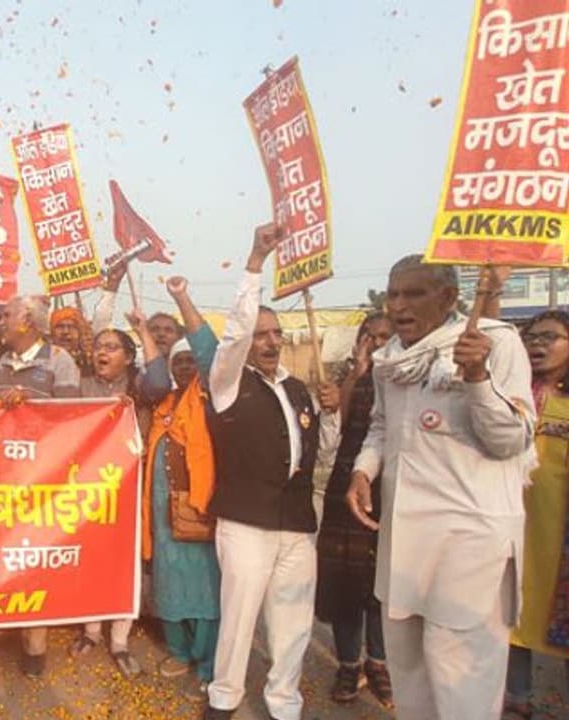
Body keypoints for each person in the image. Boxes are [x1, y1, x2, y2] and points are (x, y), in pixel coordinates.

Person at [346, 257, 533, 720]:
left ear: (450, 298)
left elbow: (510, 439)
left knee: (462, 683)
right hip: (405, 544)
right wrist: (363, 471)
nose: (399, 306)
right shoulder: (390, 359)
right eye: (393, 294)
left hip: (469, 543)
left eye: (414, 294)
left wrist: (477, 379)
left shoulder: (494, 343)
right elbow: (381, 427)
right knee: (411, 679)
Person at [203, 224, 339, 720]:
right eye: (261, 335)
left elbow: (321, 454)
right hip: (245, 522)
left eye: (276, 334)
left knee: (292, 621)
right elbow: (235, 334)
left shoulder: (298, 388)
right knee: (240, 618)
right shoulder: (226, 383)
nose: (269, 342)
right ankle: (224, 699)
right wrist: (256, 261)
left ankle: (284, 703)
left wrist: (335, 413)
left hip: (297, 524)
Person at [135, 277, 222, 691]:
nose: (186, 368)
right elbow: (153, 376)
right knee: (168, 582)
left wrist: (181, 297)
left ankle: (207, 663)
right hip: (162, 512)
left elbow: (209, 352)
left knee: (205, 587)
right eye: (179, 363)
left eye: (191, 362)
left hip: (200, 507)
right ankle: (179, 651)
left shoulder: (209, 399)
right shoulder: (164, 402)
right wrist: (141, 332)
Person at [0, 293, 81, 679]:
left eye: (7, 315)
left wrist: (30, 402)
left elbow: (73, 420)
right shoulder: (1, 361)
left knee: (35, 559)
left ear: (27, 319)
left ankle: (35, 646)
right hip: (5, 477)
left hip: (44, 479)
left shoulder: (60, 361)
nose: (0, 320)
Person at [314, 312, 395, 708]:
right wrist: (358, 373)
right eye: (372, 336)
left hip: (393, 491)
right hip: (347, 489)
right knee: (347, 582)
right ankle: (349, 663)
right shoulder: (350, 377)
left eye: (386, 336)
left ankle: (379, 662)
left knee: (384, 584)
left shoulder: (407, 376)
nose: (379, 343)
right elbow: (338, 424)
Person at [68, 323, 145, 677]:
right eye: (100, 345)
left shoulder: (142, 389)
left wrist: (129, 410)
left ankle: (120, 641)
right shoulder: (82, 388)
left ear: (129, 358)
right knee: (90, 558)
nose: (103, 352)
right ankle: (91, 632)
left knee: (124, 563)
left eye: (113, 347)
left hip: (128, 490)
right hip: (89, 489)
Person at [506, 310, 569, 719]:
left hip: (560, 537)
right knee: (512, 615)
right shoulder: (514, 394)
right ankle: (517, 699)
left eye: (551, 337)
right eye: (532, 336)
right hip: (516, 530)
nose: (538, 344)